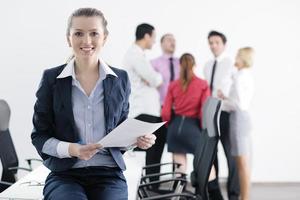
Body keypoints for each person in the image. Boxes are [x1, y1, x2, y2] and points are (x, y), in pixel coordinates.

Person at [31, 8, 156, 200]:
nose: (86, 41)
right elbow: (39, 136)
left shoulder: (120, 79)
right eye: (78, 33)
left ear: (104, 38)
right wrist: (73, 149)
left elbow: (119, 132)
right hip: (65, 175)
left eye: (94, 33)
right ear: (68, 38)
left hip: (108, 174)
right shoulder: (52, 79)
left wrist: (137, 140)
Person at [122, 23, 163, 180]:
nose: (154, 41)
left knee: (149, 148)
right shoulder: (135, 55)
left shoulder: (139, 55)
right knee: (142, 149)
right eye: (153, 37)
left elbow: (151, 79)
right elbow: (155, 79)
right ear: (146, 36)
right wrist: (155, 77)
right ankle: (144, 186)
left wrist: (151, 78)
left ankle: (148, 185)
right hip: (142, 110)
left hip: (145, 110)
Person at [203, 30, 239, 200]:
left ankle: (234, 194)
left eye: (217, 42)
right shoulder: (208, 65)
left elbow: (237, 91)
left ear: (224, 44)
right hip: (211, 113)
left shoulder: (232, 63)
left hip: (225, 113)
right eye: (210, 42)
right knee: (211, 154)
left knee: (230, 155)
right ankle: (214, 191)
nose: (213, 45)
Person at [162, 53, 210, 173]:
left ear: (179, 65)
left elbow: (166, 112)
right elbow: (204, 111)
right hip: (193, 127)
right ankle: (201, 190)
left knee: (179, 166)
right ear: (194, 65)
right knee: (202, 163)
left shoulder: (173, 85)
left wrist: (169, 125)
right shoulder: (203, 84)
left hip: (175, 127)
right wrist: (202, 128)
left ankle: (179, 190)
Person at [218, 47, 255, 200]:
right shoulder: (244, 75)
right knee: (242, 163)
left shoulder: (240, 76)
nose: (235, 59)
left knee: (242, 164)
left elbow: (240, 103)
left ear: (243, 58)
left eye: (237, 56)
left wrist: (224, 98)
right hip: (240, 119)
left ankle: (244, 198)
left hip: (238, 119)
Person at [149, 33, 180, 180]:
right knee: (157, 146)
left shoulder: (182, 63)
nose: (172, 42)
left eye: (174, 40)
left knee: (178, 149)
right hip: (160, 110)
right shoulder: (154, 63)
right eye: (169, 40)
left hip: (179, 111)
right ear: (161, 44)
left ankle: (178, 181)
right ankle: (153, 184)